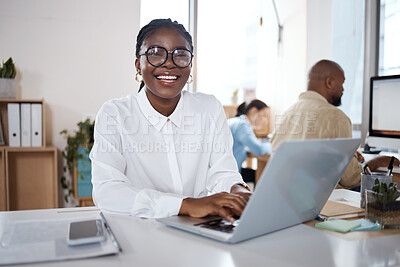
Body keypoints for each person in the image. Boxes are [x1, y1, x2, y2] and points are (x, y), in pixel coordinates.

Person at [90, 19, 251, 223]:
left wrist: (237, 190)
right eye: (156, 53)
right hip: (140, 230)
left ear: (190, 65)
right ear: (138, 64)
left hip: (200, 230)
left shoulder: (209, 108)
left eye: (180, 55)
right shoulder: (115, 114)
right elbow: (107, 191)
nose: (168, 63)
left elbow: (223, 171)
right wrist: (186, 205)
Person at [271, 59, 399, 189]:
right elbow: (350, 178)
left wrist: (350, 156)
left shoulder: (286, 114)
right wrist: (376, 162)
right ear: (329, 82)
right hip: (325, 202)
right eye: (342, 83)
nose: (343, 89)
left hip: (290, 199)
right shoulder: (337, 117)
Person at [228, 100, 271, 183]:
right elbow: (258, 149)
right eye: (264, 115)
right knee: (263, 176)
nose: (266, 121)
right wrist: (274, 145)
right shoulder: (242, 125)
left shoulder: (235, 121)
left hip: (222, 171)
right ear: (254, 111)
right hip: (229, 175)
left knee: (255, 174)